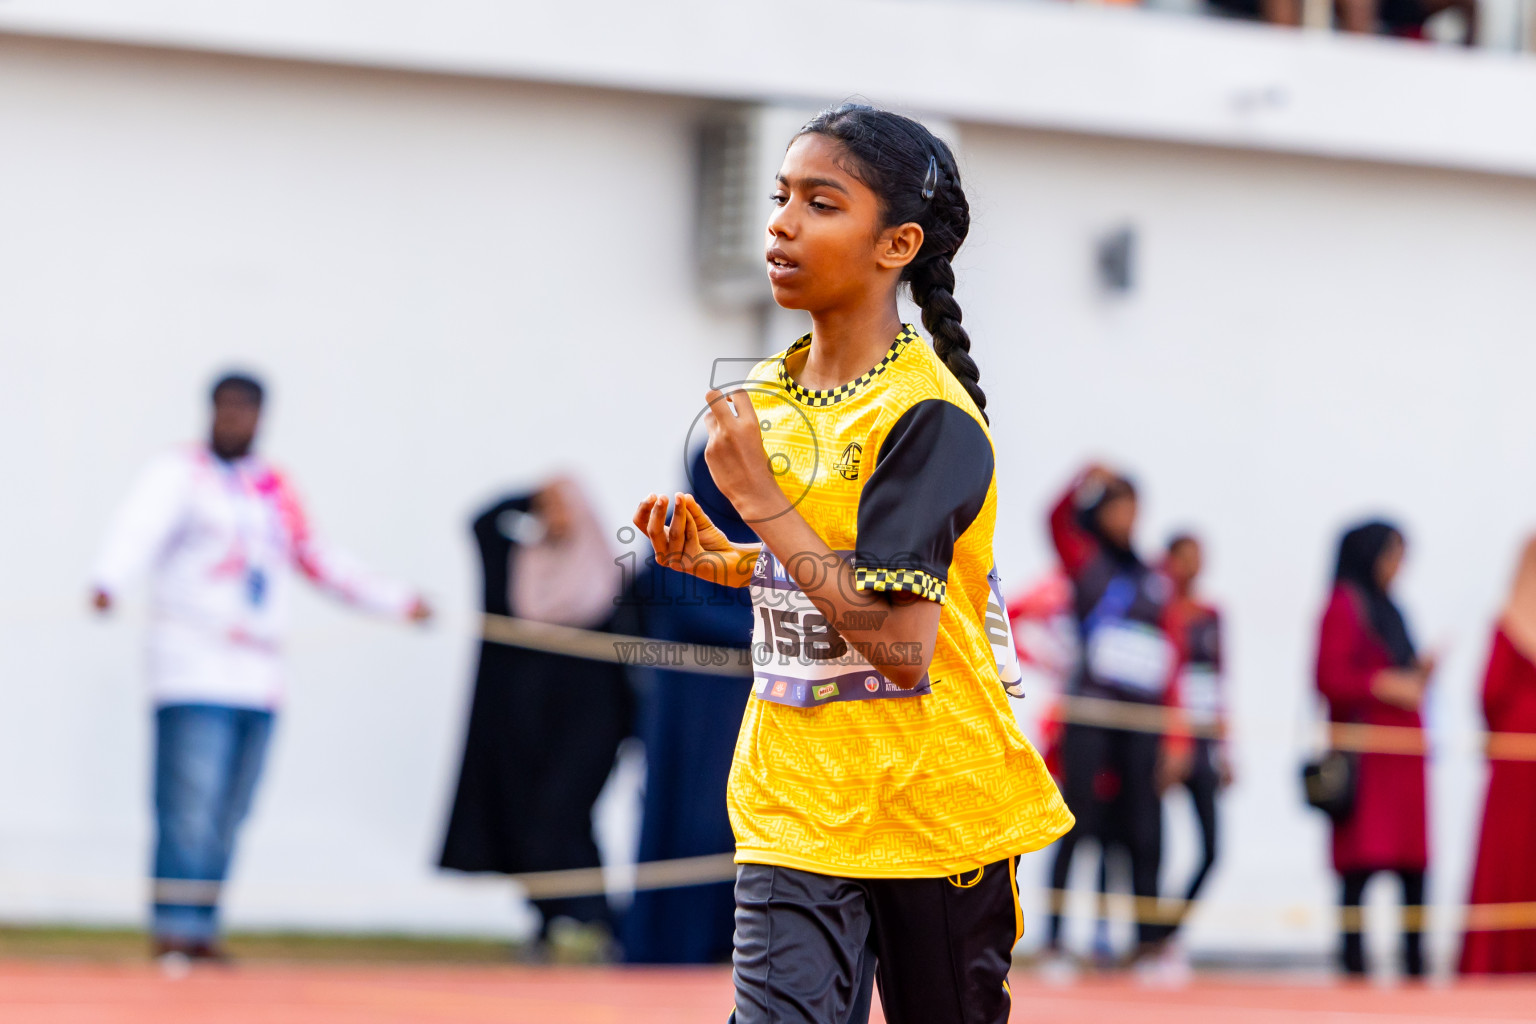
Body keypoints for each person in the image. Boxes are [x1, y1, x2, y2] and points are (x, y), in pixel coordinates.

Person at [633, 104, 1073, 1024]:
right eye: (780, 195)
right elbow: (822, 572)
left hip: (931, 810)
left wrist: (763, 504)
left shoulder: (929, 417)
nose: (781, 224)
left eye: (821, 203)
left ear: (897, 244)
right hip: (792, 803)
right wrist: (733, 560)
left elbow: (903, 646)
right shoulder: (766, 394)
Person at [90, 373, 431, 964]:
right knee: (189, 807)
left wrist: (396, 600)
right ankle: (175, 929)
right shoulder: (179, 474)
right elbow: (136, 529)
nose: (234, 420)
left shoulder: (272, 487)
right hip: (192, 669)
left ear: (261, 416)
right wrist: (108, 580)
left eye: (245, 410)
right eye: (226, 408)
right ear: (210, 410)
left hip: (259, 677)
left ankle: (201, 931)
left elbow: (316, 555)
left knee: (230, 812)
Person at [438, 476, 634, 962]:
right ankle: (547, 925)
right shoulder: (517, 564)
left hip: (592, 725)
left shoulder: (614, 579)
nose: (558, 517)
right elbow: (482, 522)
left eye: (567, 506)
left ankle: (600, 922)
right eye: (548, 509)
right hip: (521, 726)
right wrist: (534, 494)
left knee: (563, 815)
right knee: (528, 820)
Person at [1043, 465, 1184, 969]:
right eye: (1118, 508)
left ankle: (1146, 942)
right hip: (1091, 711)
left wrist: (1176, 736)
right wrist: (1082, 474)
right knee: (1077, 818)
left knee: (1144, 828)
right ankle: (1056, 939)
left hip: (1141, 721)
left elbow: (1172, 655)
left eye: (1134, 509)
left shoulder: (1150, 576)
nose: (1128, 519)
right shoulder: (1086, 559)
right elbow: (1054, 519)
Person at [622, 446, 756, 965]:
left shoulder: (776, 540)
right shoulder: (677, 538)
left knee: (742, 824)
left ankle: (738, 945)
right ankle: (675, 944)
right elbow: (683, 605)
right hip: (688, 712)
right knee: (689, 821)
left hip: (751, 710)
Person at [1314, 520, 1434, 978]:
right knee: (1360, 867)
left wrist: (1418, 675)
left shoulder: (1392, 608)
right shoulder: (1344, 605)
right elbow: (1328, 677)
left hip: (1404, 759)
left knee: (1412, 868)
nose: (1397, 567)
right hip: (1367, 760)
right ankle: (1353, 964)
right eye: (1391, 555)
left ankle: (1415, 962)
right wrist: (1385, 684)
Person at [1459, 537, 1536, 974]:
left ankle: (1501, 959)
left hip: (1515, 750)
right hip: (1518, 749)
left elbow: (1490, 691)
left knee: (1511, 853)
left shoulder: (1509, 623)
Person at [1159, 534, 1231, 950]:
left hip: (1201, 744)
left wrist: (1224, 748)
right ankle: (1143, 936)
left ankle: (1166, 934)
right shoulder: (1159, 612)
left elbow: (1219, 682)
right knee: (1149, 843)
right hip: (1165, 742)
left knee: (1211, 849)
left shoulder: (1211, 616)